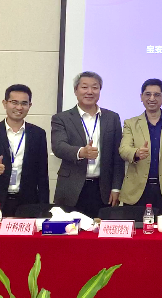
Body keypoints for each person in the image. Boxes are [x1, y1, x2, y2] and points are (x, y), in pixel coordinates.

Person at [51, 72, 124, 218]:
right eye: (84, 87)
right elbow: (58, 146)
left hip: (103, 189)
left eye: (95, 87)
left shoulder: (112, 118)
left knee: (100, 229)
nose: (90, 92)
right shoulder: (61, 118)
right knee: (69, 230)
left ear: (100, 91)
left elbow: (117, 156)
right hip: (71, 187)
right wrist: (81, 152)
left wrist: (116, 188)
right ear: (75, 90)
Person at [0, 85, 49, 217]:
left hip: (27, 202)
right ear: (5, 103)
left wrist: (44, 206)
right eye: (14, 102)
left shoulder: (38, 134)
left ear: (29, 105)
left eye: (24, 103)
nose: (19, 107)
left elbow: (42, 173)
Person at [119, 78, 162, 220]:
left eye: (157, 95)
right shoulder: (130, 123)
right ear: (141, 97)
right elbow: (124, 150)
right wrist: (136, 153)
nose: (152, 98)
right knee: (136, 233)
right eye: (148, 94)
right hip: (136, 192)